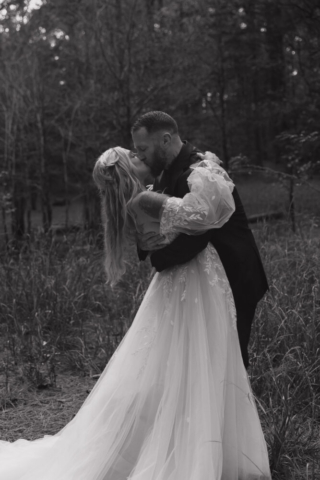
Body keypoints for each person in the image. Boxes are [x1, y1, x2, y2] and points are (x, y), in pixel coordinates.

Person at [0, 146, 271, 479]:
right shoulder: (145, 199)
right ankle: (191, 447)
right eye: (134, 154)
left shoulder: (149, 193)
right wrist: (207, 173)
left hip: (188, 283)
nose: (139, 154)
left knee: (185, 364)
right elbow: (186, 238)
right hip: (189, 282)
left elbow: (162, 242)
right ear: (129, 168)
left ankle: (200, 442)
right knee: (191, 363)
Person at [131, 111, 269, 369]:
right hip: (202, 282)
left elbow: (196, 237)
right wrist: (144, 242)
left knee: (230, 361)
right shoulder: (166, 173)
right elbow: (163, 224)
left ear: (165, 140)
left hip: (234, 275)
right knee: (200, 361)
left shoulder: (202, 172)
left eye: (142, 148)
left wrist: (157, 259)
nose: (140, 155)